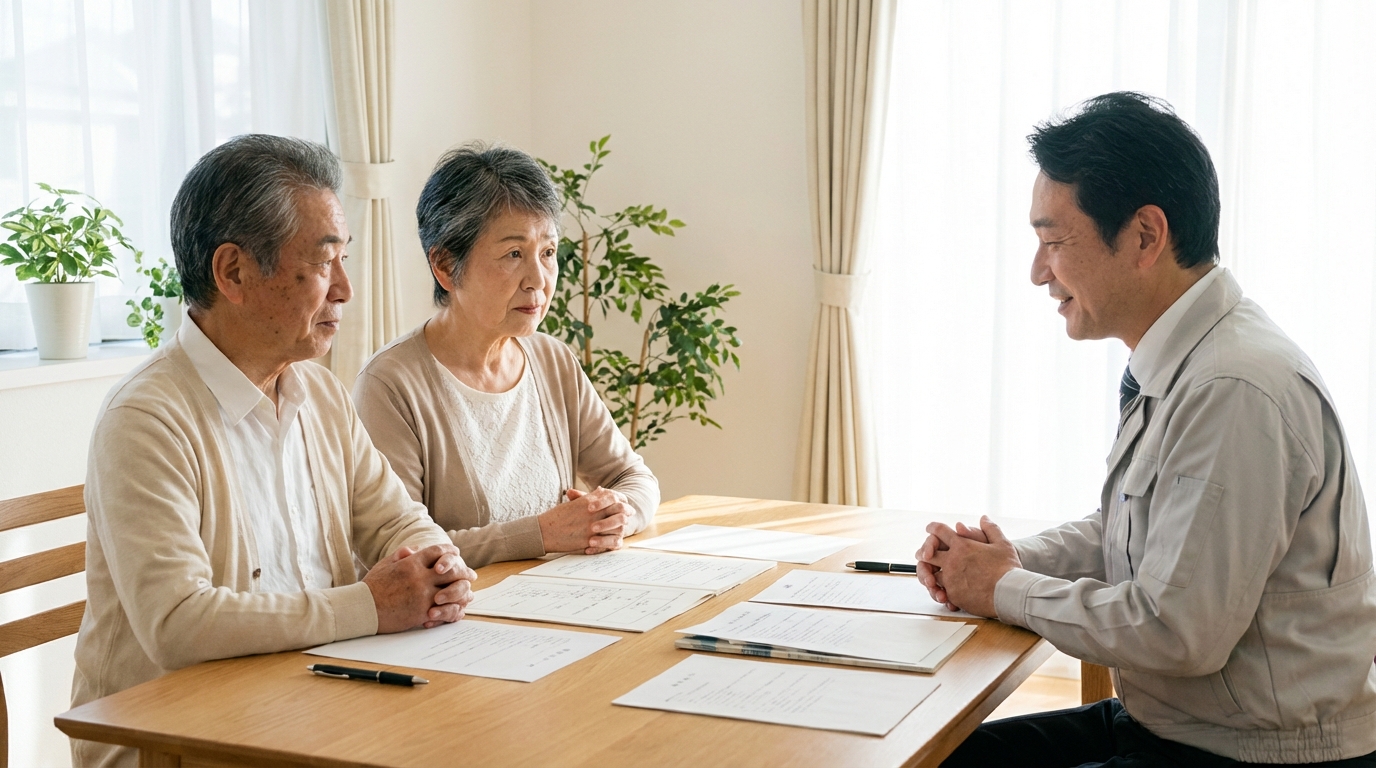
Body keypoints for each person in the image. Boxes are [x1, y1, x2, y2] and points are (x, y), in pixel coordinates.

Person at [919, 93, 1376, 767]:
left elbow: (1175, 631)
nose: (1038, 272)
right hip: (1180, 725)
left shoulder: (1233, 388)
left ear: (1144, 236)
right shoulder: (1190, 358)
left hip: (1252, 755)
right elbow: (1137, 533)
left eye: (1053, 242)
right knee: (937, 757)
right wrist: (1005, 560)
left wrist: (1000, 587)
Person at [72, 135, 477, 768]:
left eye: (345, 259)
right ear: (233, 272)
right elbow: (178, 624)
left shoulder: (320, 391)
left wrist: (439, 566)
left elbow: (396, 519)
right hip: (174, 741)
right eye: (324, 262)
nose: (345, 289)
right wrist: (369, 605)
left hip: (309, 702)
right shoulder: (146, 419)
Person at [352, 143, 659, 568]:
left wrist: (616, 514)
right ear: (445, 265)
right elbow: (399, 549)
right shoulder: (390, 384)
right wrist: (541, 535)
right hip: (466, 608)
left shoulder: (552, 360)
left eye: (547, 253)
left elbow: (634, 477)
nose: (539, 280)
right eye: (514, 254)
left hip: (563, 596)